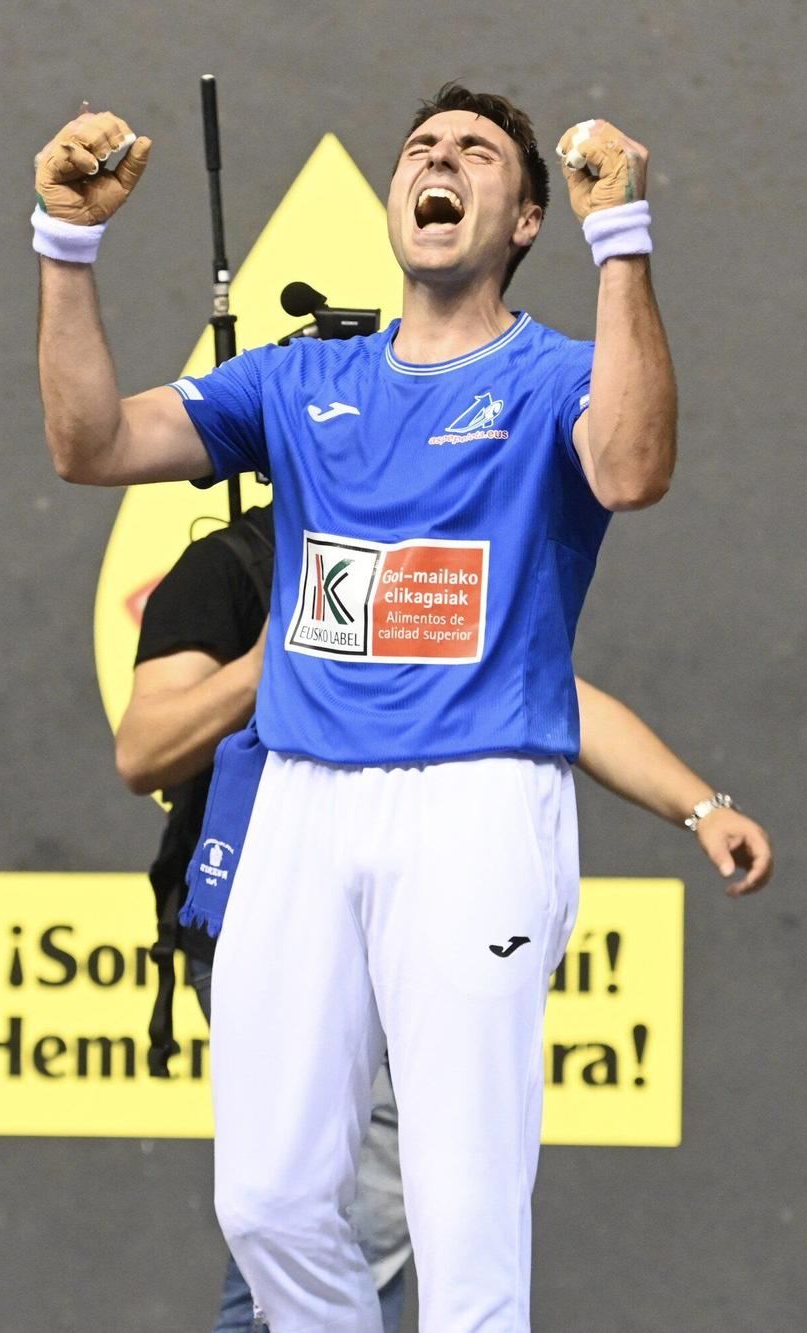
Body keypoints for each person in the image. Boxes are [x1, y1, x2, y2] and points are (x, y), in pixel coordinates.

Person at [35, 80, 719, 1329]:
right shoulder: (299, 384)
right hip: (297, 804)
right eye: (421, 148)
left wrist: (619, 237)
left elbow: (631, 468)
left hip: (474, 804)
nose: (437, 161)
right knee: (265, 1200)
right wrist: (66, 246)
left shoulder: (557, 374)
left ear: (520, 220)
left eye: (472, 152)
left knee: (460, 1221)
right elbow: (89, 445)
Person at [120, 503, 773, 1331]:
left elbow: (547, 693)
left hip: (424, 907)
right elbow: (144, 748)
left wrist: (699, 806)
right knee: (288, 1206)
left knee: (379, 1208)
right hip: (262, 913)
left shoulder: (427, 552)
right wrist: (277, 651)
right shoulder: (228, 567)